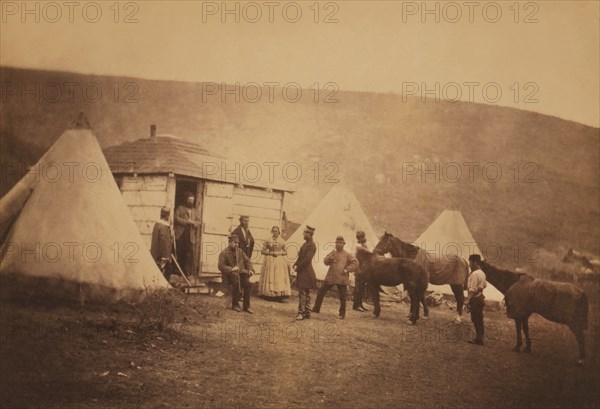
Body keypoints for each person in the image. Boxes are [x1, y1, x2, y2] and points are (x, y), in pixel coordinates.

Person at [312, 236, 359, 320]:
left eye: (340, 243)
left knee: (342, 297)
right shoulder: (333, 252)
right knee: (321, 292)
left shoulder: (347, 254)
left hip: (341, 278)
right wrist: (330, 258)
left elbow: (356, 263)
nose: (338, 244)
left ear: (343, 244)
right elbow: (325, 261)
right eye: (337, 243)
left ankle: (342, 314)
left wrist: (347, 269)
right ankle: (316, 309)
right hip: (331, 277)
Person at [218, 235, 255, 313]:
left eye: (238, 243)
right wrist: (231, 269)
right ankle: (235, 305)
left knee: (247, 283)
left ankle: (246, 306)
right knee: (236, 281)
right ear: (230, 242)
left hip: (241, 273)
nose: (237, 244)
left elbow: (247, 261)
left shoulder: (240, 251)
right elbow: (221, 266)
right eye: (235, 243)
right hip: (230, 275)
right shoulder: (224, 253)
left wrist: (250, 269)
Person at [258, 226, 291, 301]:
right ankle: (268, 294)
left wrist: (279, 253)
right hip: (270, 259)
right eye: (273, 231)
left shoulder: (282, 241)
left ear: (279, 232)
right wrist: (271, 252)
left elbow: (286, 252)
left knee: (278, 276)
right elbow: (262, 251)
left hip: (279, 260)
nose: (275, 233)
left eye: (276, 231)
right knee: (270, 275)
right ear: (271, 232)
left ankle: (278, 295)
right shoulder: (268, 240)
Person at [293, 225, 317, 320]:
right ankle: (307, 312)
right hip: (303, 272)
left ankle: (301, 313)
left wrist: (298, 267)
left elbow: (307, 259)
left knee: (303, 293)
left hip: (306, 273)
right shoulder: (305, 244)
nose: (303, 234)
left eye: (305, 232)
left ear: (309, 234)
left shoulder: (311, 245)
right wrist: (295, 264)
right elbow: (300, 257)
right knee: (305, 293)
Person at [174, 192, 201, 276]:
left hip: (190, 236)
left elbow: (199, 221)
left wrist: (194, 223)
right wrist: (186, 222)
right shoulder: (180, 208)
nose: (191, 202)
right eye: (189, 200)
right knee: (179, 253)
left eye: (192, 200)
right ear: (186, 200)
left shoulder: (195, 211)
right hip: (181, 235)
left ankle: (187, 272)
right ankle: (177, 271)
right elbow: (176, 218)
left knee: (188, 255)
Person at [466, 254, 487, 345]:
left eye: (470, 262)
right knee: (479, 318)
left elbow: (472, 289)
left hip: (475, 299)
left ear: (475, 262)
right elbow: (485, 285)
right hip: (480, 297)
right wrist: (479, 289)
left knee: (475, 319)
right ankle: (479, 338)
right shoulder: (482, 273)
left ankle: (478, 339)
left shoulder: (474, 274)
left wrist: (468, 300)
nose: (469, 265)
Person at [150, 207, 173, 281]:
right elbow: (164, 242)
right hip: (161, 256)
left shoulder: (157, 225)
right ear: (167, 216)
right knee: (165, 272)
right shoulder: (163, 227)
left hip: (156, 254)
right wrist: (165, 256)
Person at [350, 230, 370, 312]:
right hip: (358, 268)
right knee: (358, 288)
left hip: (363, 268)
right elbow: (368, 252)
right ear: (359, 238)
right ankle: (356, 305)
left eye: (363, 236)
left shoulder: (362, 245)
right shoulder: (357, 246)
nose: (363, 238)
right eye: (361, 237)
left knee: (361, 287)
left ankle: (360, 304)